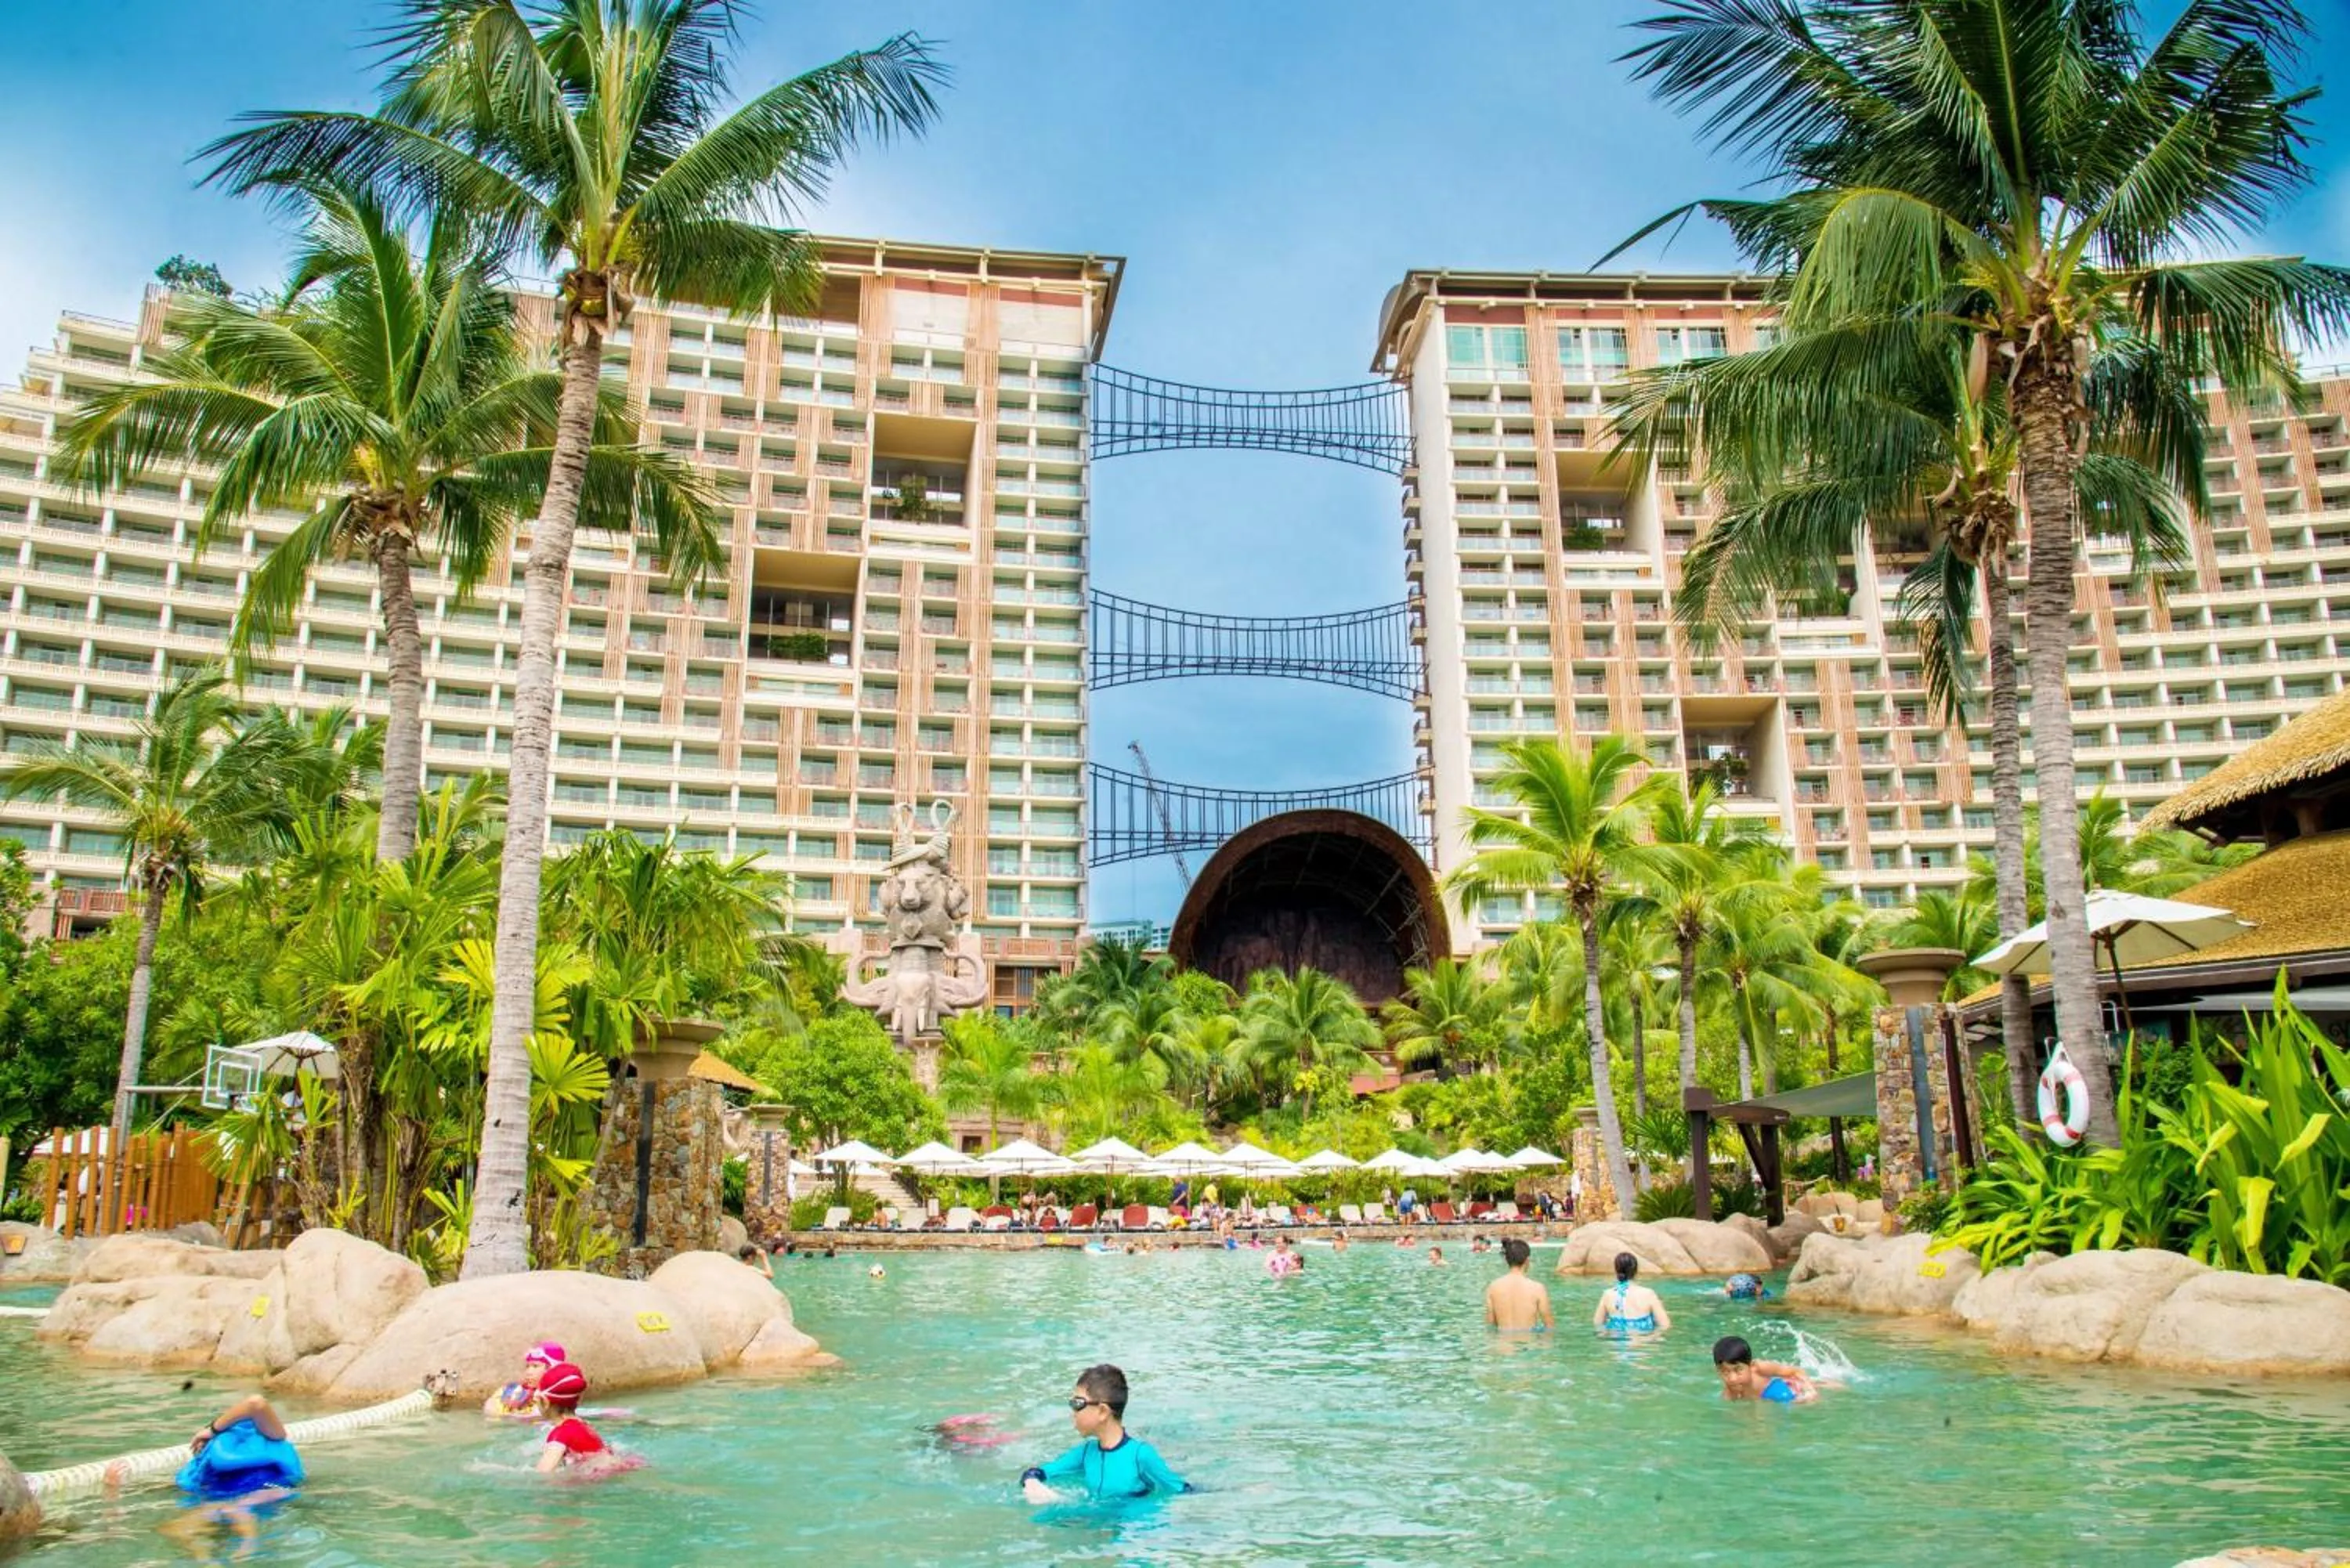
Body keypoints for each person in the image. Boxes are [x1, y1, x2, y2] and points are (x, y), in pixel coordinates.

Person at [1020, 1364, 1192, 1504]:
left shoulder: (1140, 1455)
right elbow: (1040, 1472)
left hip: (1132, 1528)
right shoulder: (1086, 1453)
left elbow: (1181, 1491)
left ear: (1103, 1411)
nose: (1072, 1412)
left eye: (1077, 1404)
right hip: (1101, 1519)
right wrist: (1032, 1482)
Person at [160, 1391, 304, 1552]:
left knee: (199, 1517)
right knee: (245, 1504)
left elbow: (255, 1403)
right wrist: (213, 1429)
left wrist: (212, 1431)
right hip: (262, 1491)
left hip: (220, 1495)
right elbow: (256, 1403)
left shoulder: (202, 1471)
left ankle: (207, 1557)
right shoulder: (271, 1439)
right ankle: (245, 1542)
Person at [534, 1363, 631, 1475]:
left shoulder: (560, 1434)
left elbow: (543, 1473)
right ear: (579, 1399)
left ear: (545, 1402)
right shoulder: (584, 1426)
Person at [1713, 1336, 1817, 1404]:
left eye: (1738, 1370)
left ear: (1751, 1365)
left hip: (1783, 1386)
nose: (1732, 1378)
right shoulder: (1730, 1390)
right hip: (1766, 1397)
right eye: (1725, 1372)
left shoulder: (1760, 1368)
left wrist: (1810, 1390)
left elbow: (1796, 1371)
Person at [1484, 1237, 1553, 1331]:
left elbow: (1490, 1325)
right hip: (1528, 1344)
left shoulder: (1493, 1287)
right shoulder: (1538, 1288)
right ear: (1527, 1260)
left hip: (1502, 1344)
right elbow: (1549, 1326)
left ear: (1506, 1260)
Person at [1594, 1252, 1672, 1335]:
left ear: (1616, 1270)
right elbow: (1665, 1325)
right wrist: (1649, 1339)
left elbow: (1598, 1325)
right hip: (1642, 1343)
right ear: (1636, 1271)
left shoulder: (1608, 1295)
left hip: (1615, 1343)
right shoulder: (1649, 1294)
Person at [483, 1342, 568, 1418]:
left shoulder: (562, 1397)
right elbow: (489, 1409)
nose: (528, 1372)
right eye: (527, 1367)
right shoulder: (511, 1392)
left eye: (535, 1366)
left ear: (552, 1370)